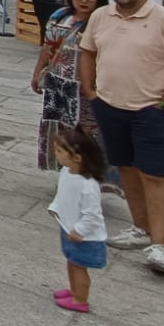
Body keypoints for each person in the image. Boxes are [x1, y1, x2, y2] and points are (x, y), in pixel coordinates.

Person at [79, 0, 164, 276]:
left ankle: (159, 246)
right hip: (110, 106)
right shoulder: (100, 16)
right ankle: (140, 228)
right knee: (127, 170)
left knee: (156, 176)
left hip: (153, 111)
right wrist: (91, 90)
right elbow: (88, 51)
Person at [31, 0, 110, 171]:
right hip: (59, 86)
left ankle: (89, 177)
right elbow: (48, 46)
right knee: (62, 131)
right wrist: (37, 71)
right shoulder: (59, 15)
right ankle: (66, 173)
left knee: (87, 134)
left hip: (88, 87)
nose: (84, 1)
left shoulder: (104, 21)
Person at [47, 124, 109, 313]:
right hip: (68, 227)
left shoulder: (88, 186)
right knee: (71, 262)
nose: (56, 154)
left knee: (79, 267)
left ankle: (80, 299)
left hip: (84, 236)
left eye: (59, 151)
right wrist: (55, 207)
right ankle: (74, 291)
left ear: (76, 158)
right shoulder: (67, 172)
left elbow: (93, 214)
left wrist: (80, 231)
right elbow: (63, 194)